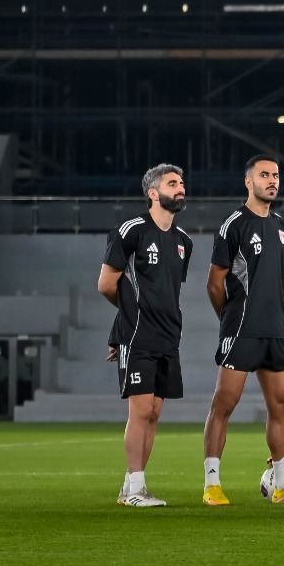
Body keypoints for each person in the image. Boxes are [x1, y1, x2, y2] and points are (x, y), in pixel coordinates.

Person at [202, 155, 284, 504]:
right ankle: (212, 484)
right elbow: (214, 283)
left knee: (281, 405)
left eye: (276, 175)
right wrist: (230, 319)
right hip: (242, 330)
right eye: (264, 175)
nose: (272, 180)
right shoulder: (234, 224)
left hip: (276, 331)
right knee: (224, 404)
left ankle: (283, 483)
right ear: (248, 182)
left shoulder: (281, 225)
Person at [98, 163, 193, 507]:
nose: (180, 187)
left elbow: (166, 292)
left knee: (154, 412)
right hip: (137, 335)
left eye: (181, 182)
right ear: (153, 193)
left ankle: (130, 487)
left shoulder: (184, 242)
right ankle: (136, 487)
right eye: (172, 183)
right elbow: (107, 285)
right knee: (139, 411)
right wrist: (125, 324)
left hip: (169, 336)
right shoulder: (132, 230)